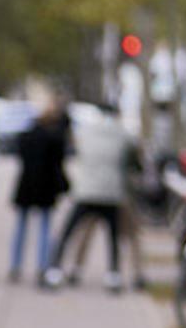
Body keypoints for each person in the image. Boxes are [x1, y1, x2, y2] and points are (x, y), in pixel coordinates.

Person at [44, 101, 135, 292]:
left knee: (68, 232)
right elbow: (132, 159)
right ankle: (113, 274)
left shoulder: (85, 131)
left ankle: (55, 268)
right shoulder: (122, 133)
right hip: (111, 192)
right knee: (112, 235)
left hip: (86, 190)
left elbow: (76, 151)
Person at [7, 81, 69, 287]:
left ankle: (16, 265)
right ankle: (42, 266)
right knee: (43, 227)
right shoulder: (55, 137)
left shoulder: (28, 134)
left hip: (28, 185)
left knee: (23, 226)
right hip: (45, 186)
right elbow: (60, 162)